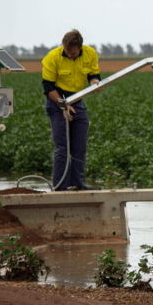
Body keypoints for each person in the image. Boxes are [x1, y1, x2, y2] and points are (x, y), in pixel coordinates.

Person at [42, 29, 102, 191]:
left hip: (77, 100)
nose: (70, 55)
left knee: (79, 145)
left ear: (80, 47)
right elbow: (48, 86)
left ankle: (78, 183)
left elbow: (93, 75)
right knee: (63, 147)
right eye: (67, 52)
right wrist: (63, 106)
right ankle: (60, 186)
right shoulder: (52, 57)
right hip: (57, 100)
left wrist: (95, 83)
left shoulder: (90, 54)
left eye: (73, 53)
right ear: (63, 46)